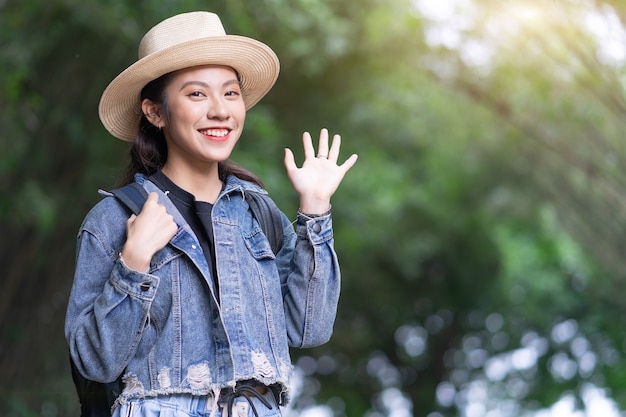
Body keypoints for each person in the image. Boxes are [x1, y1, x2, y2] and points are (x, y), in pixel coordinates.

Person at [64, 10, 357, 417]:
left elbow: (308, 327)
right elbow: (95, 362)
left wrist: (315, 209)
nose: (220, 111)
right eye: (197, 94)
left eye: (231, 93)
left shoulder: (257, 213)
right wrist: (133, 262)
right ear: (155, 112)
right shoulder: (112, 219)